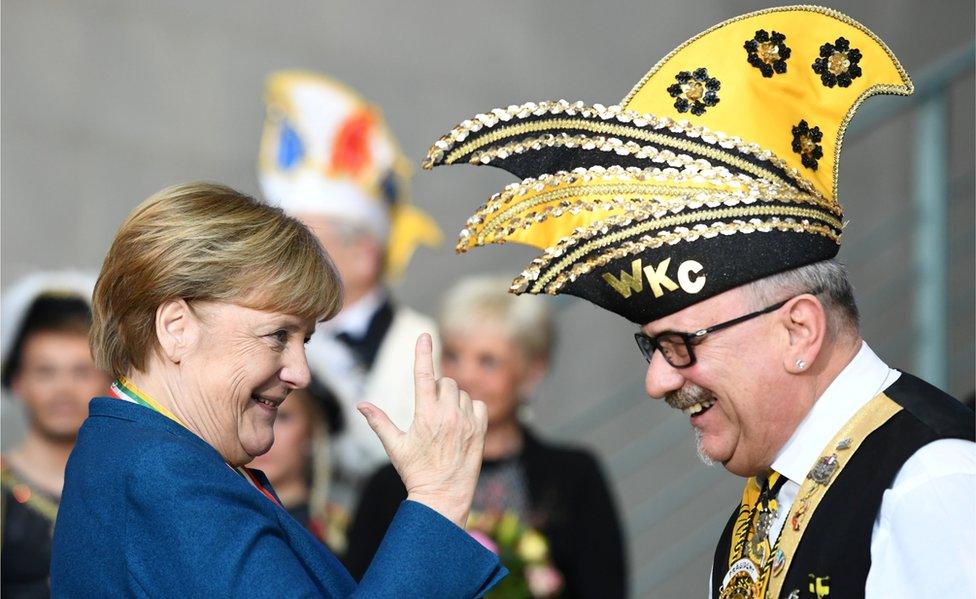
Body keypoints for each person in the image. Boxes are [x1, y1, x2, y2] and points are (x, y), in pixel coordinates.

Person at [421, 6, 975, 598]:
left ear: (799, 331)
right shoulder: (770, 495)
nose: (657, 381)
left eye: (681, 344)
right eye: (652, 347)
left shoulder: (929, 481)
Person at [50, 183, 505, 596]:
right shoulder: (165, 473)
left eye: (304, 340)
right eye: (277, 336)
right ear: (176, 328)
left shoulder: (154, 454)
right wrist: (436, 499)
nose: (300, 373)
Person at [345, 275, 627, 597]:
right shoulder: (389, 484)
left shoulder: (575, 476)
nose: (466, 376)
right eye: (453, 355)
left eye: (488, 361)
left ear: (532, 370)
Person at [258, 70, 444, 516]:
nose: (286, 255)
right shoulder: (265, 328)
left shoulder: (425, 342)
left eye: (306, 239)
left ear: (364, 254)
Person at [0, 271, 110, 598]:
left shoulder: (126, 489)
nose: (63, 390)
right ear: (18, 382)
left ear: (106, 382)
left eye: (80, 372)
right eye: (45, 372)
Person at [248, 375, 349, 550]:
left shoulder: (339, 534)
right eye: (253, 414)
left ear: (311, 433)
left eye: (283, 417)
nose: (265, 431)